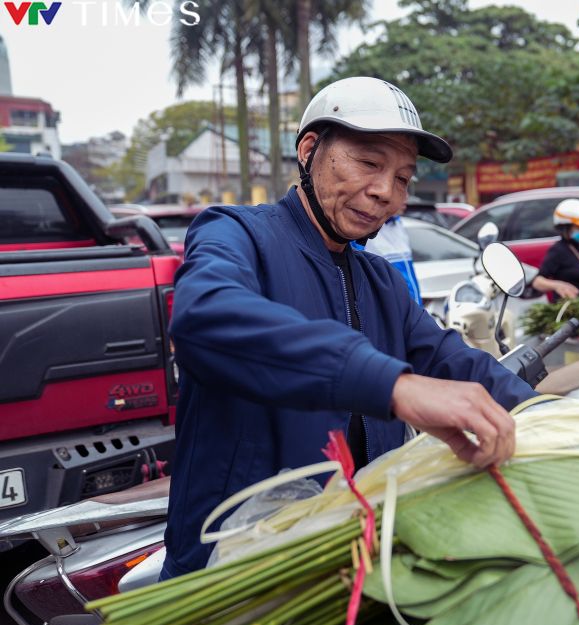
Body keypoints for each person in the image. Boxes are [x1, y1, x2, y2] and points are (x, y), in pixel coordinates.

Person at [161, 77, 536, 579]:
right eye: (369, 163)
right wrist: (394, 387)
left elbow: (455, 362)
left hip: (349, 561)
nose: (385, 192)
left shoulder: (379, 280)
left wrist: (573, 421)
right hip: (231, 567)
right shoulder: (236, 233)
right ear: (309, 149)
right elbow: (204, 316)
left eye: (402, 178)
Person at [353, 212, 422, 305]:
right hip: (388, 310)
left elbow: (409, 275)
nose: (406, 199)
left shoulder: (398, 224)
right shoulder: (364, 228)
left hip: (410, 309)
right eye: (400, 196)